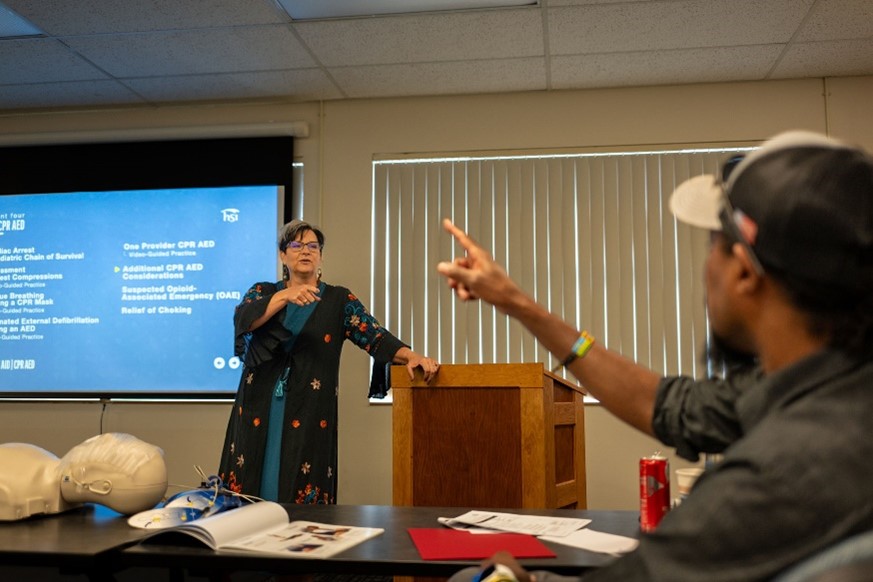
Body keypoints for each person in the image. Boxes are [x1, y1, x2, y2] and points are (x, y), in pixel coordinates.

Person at [438, 130, 873, 581]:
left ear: (744, 271)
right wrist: (517, 303)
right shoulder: (837, 390)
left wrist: (513, 577)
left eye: (712, 245)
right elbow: (668, 406)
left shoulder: (775, 482)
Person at [218, 219, 439, 504]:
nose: (305, 251)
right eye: (296, 245)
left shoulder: (338, 299)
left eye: (313, 246)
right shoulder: (262, 292)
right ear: (283, 255)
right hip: (258, 405)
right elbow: (244, 320)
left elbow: (374, 335)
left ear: (321, 255)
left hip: (309, 409)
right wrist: (286, 295)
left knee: (301, 484)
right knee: (250, 483)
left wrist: (412, 356)